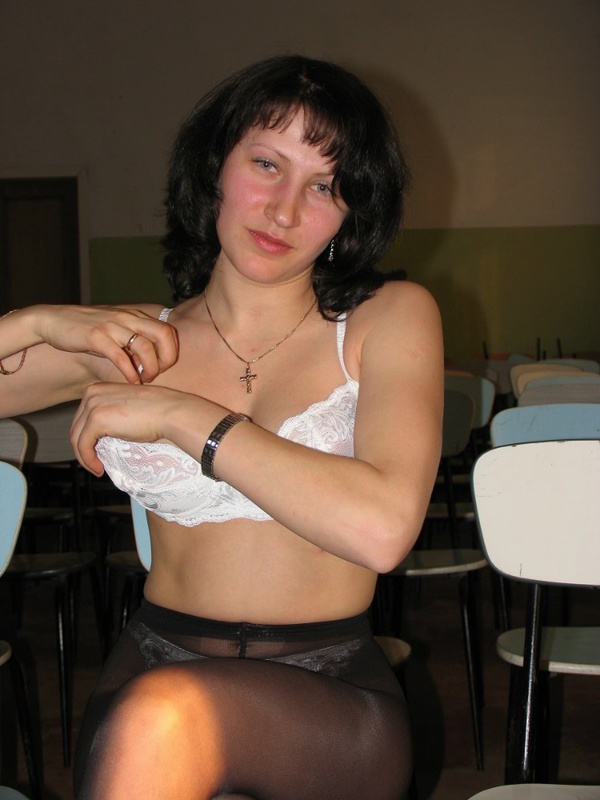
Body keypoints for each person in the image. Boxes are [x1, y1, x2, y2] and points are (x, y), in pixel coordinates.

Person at [0, 55, 443, 799]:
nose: (284, 210)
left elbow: (381, 531)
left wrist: (186, 419)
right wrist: (36, 322)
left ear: (350, 213)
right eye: (267, 164)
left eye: (324, 186)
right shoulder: (134, 340)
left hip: (328, 690)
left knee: (161, 720)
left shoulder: (387, 318)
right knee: (154, 716)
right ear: (214, 170)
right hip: (153, 661)